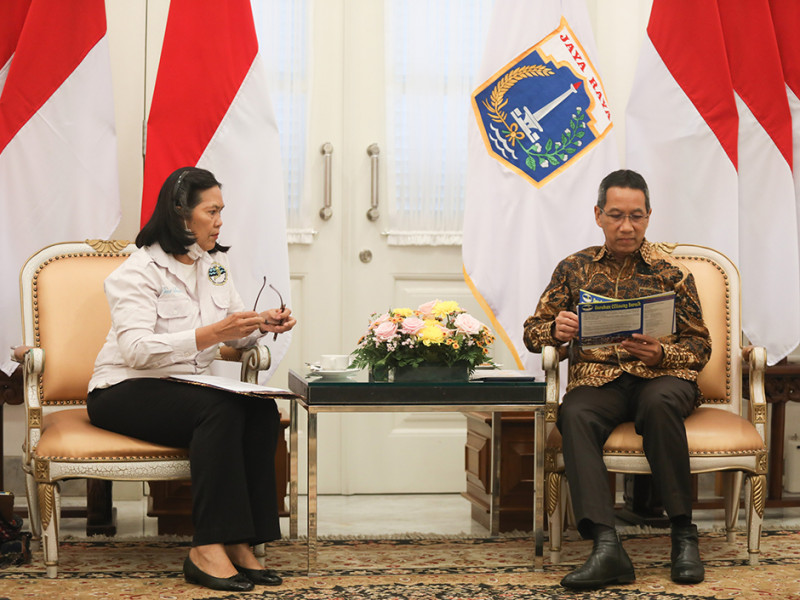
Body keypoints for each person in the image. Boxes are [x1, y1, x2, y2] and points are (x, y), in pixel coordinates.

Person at [87, 166, 296, 593]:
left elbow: (233, 332)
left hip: (184, 389)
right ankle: (206, 547)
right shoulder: (138, 271)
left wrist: (260, 325)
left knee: (260, 410)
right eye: (211, 212)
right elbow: (136, 350)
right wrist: (211, 333)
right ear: (182, 214)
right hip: (121, 389)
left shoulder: (214, 265)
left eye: (221, 212)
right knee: (219, 411)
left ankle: (240, 540)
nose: (219, 222)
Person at [523, 169, 711, 590]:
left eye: (636, 216)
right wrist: (555, 330)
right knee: (574, 412)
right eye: (616, 215)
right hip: (599, 381)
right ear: (598, 215)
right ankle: (606, 547)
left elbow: (701, 347)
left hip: (662, 377)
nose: (627, 226)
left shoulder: (672, 274)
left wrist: (662, 353)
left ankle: (683, 535)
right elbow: (533, 333)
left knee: (659, 404)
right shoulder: (573, 269)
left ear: (648, 217)